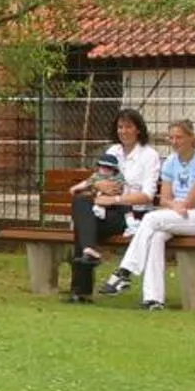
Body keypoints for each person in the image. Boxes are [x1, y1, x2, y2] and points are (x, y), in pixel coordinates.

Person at [101, 119, 195, 311]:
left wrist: (176, 205)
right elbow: (163, 199)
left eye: (179, 137)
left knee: (150, 218)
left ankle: (126, 270)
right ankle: (153, 299)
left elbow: (192, 203)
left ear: (191, 138)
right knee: (155, 237)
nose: (174, 141)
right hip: (174, 215)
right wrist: (173, 204)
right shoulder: (171, 162)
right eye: (171, 137)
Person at [63, 108, 160, 303]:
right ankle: (90, 251)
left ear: (138, 129)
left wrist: (114, 200)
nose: (123, 131)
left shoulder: (149, 156)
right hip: (107, 211)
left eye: (128, 127)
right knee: (81, 203)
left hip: (131, 216)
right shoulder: (112, 151)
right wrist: (98, 185)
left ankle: (80, 291)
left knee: (84, 225)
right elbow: (98, 177)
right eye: (120, 127)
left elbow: (148, 196)